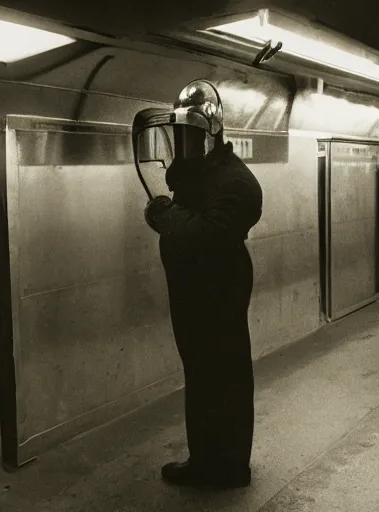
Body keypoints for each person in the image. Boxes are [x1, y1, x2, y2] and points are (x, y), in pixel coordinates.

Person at [136, 80, 263, 489]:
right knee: (202, 376)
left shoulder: (239, 184)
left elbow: (204, 235)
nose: (184, 142)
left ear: (212, 132)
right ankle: (209, 458)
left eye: (191, 134)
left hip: (219, 291)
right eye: (180, 134)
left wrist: (164, 215)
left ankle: (227, 468)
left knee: (225, 377)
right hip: (192, 291)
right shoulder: (198, 171)